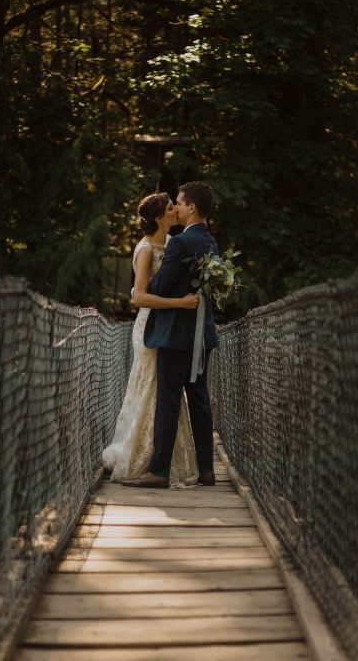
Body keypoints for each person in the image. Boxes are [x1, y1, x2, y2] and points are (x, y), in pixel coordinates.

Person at [122, 181, 219, 489]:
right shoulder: (211, 243)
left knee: (168, 400)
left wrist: (146, 290)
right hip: (201, 335)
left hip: (175, 335)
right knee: (200, 399)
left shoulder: (178, 243)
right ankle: (206, 469)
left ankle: (160, 470)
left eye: (179, 202)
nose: (176, 207)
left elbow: (159, 287)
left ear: (191, 207)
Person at [102, 192, 200, 485]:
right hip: (149, 327)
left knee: (167, 392)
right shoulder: (145, 250)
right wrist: (180, 304)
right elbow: (140, 297)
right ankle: (140, 457)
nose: (175, 211)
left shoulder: (173, 244)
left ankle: (162, 460)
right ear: (160, 217)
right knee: (148, 388)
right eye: (171, 208)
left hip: (169, 326)